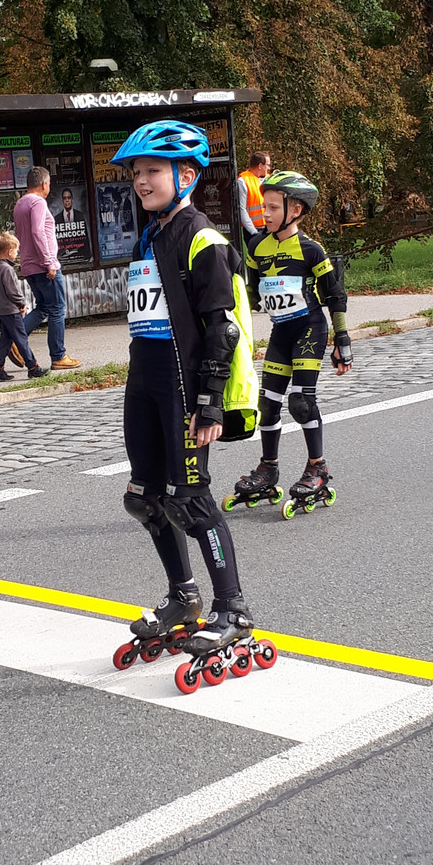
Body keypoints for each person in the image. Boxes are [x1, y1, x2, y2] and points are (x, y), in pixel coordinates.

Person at [112, 118, 254, 660]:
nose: (140, 181)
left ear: (187, 176)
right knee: (144, 499)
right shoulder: (150, 235)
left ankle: (233, 609)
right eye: (136, 172)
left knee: (191, 502)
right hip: (144, 380)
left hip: (181, 388)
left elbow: (223, 328)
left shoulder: (203, 238)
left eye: (152, 170)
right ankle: (183, 597)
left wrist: (209, 401)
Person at [231, 168, 351, 515]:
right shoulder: (257, 246)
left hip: (310, 329)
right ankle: (268, 468)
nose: (264, 214)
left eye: (272, 207)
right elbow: (250, 290)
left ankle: (317, 467)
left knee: (300, 402)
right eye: (263, 207)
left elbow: (335, 295)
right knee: (267, 405)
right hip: (281, 331)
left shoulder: (311, 250)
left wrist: (342, 339)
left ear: (295, 210)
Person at [15, 165, 81, 369]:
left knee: (44, 307)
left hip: (29, 265)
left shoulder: (20, 203)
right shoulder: (37, 202)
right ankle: (58, 356)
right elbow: (37, 232)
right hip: (43, 266)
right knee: (57, 309)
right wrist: (49, 262)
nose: (48, 187)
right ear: (44, 184)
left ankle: (15, 339)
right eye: (49, 184)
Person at [0, 232, 46, 381]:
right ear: (10, 251)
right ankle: (33, 367)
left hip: (2, 309)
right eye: (16, 251)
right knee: (21, 339)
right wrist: (22, 303)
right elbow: (13, 291)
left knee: (6, 339)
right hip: (11, 309)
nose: (17, 253)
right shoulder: (7, 269)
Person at [235, 151, 272, 237]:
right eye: (267, 165)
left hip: (269, 229)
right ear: (260, 166)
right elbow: (242, 209)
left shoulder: (269, 179)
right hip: (253, 230)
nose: (269, 168)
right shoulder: (243, 181)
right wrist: (254, 232)